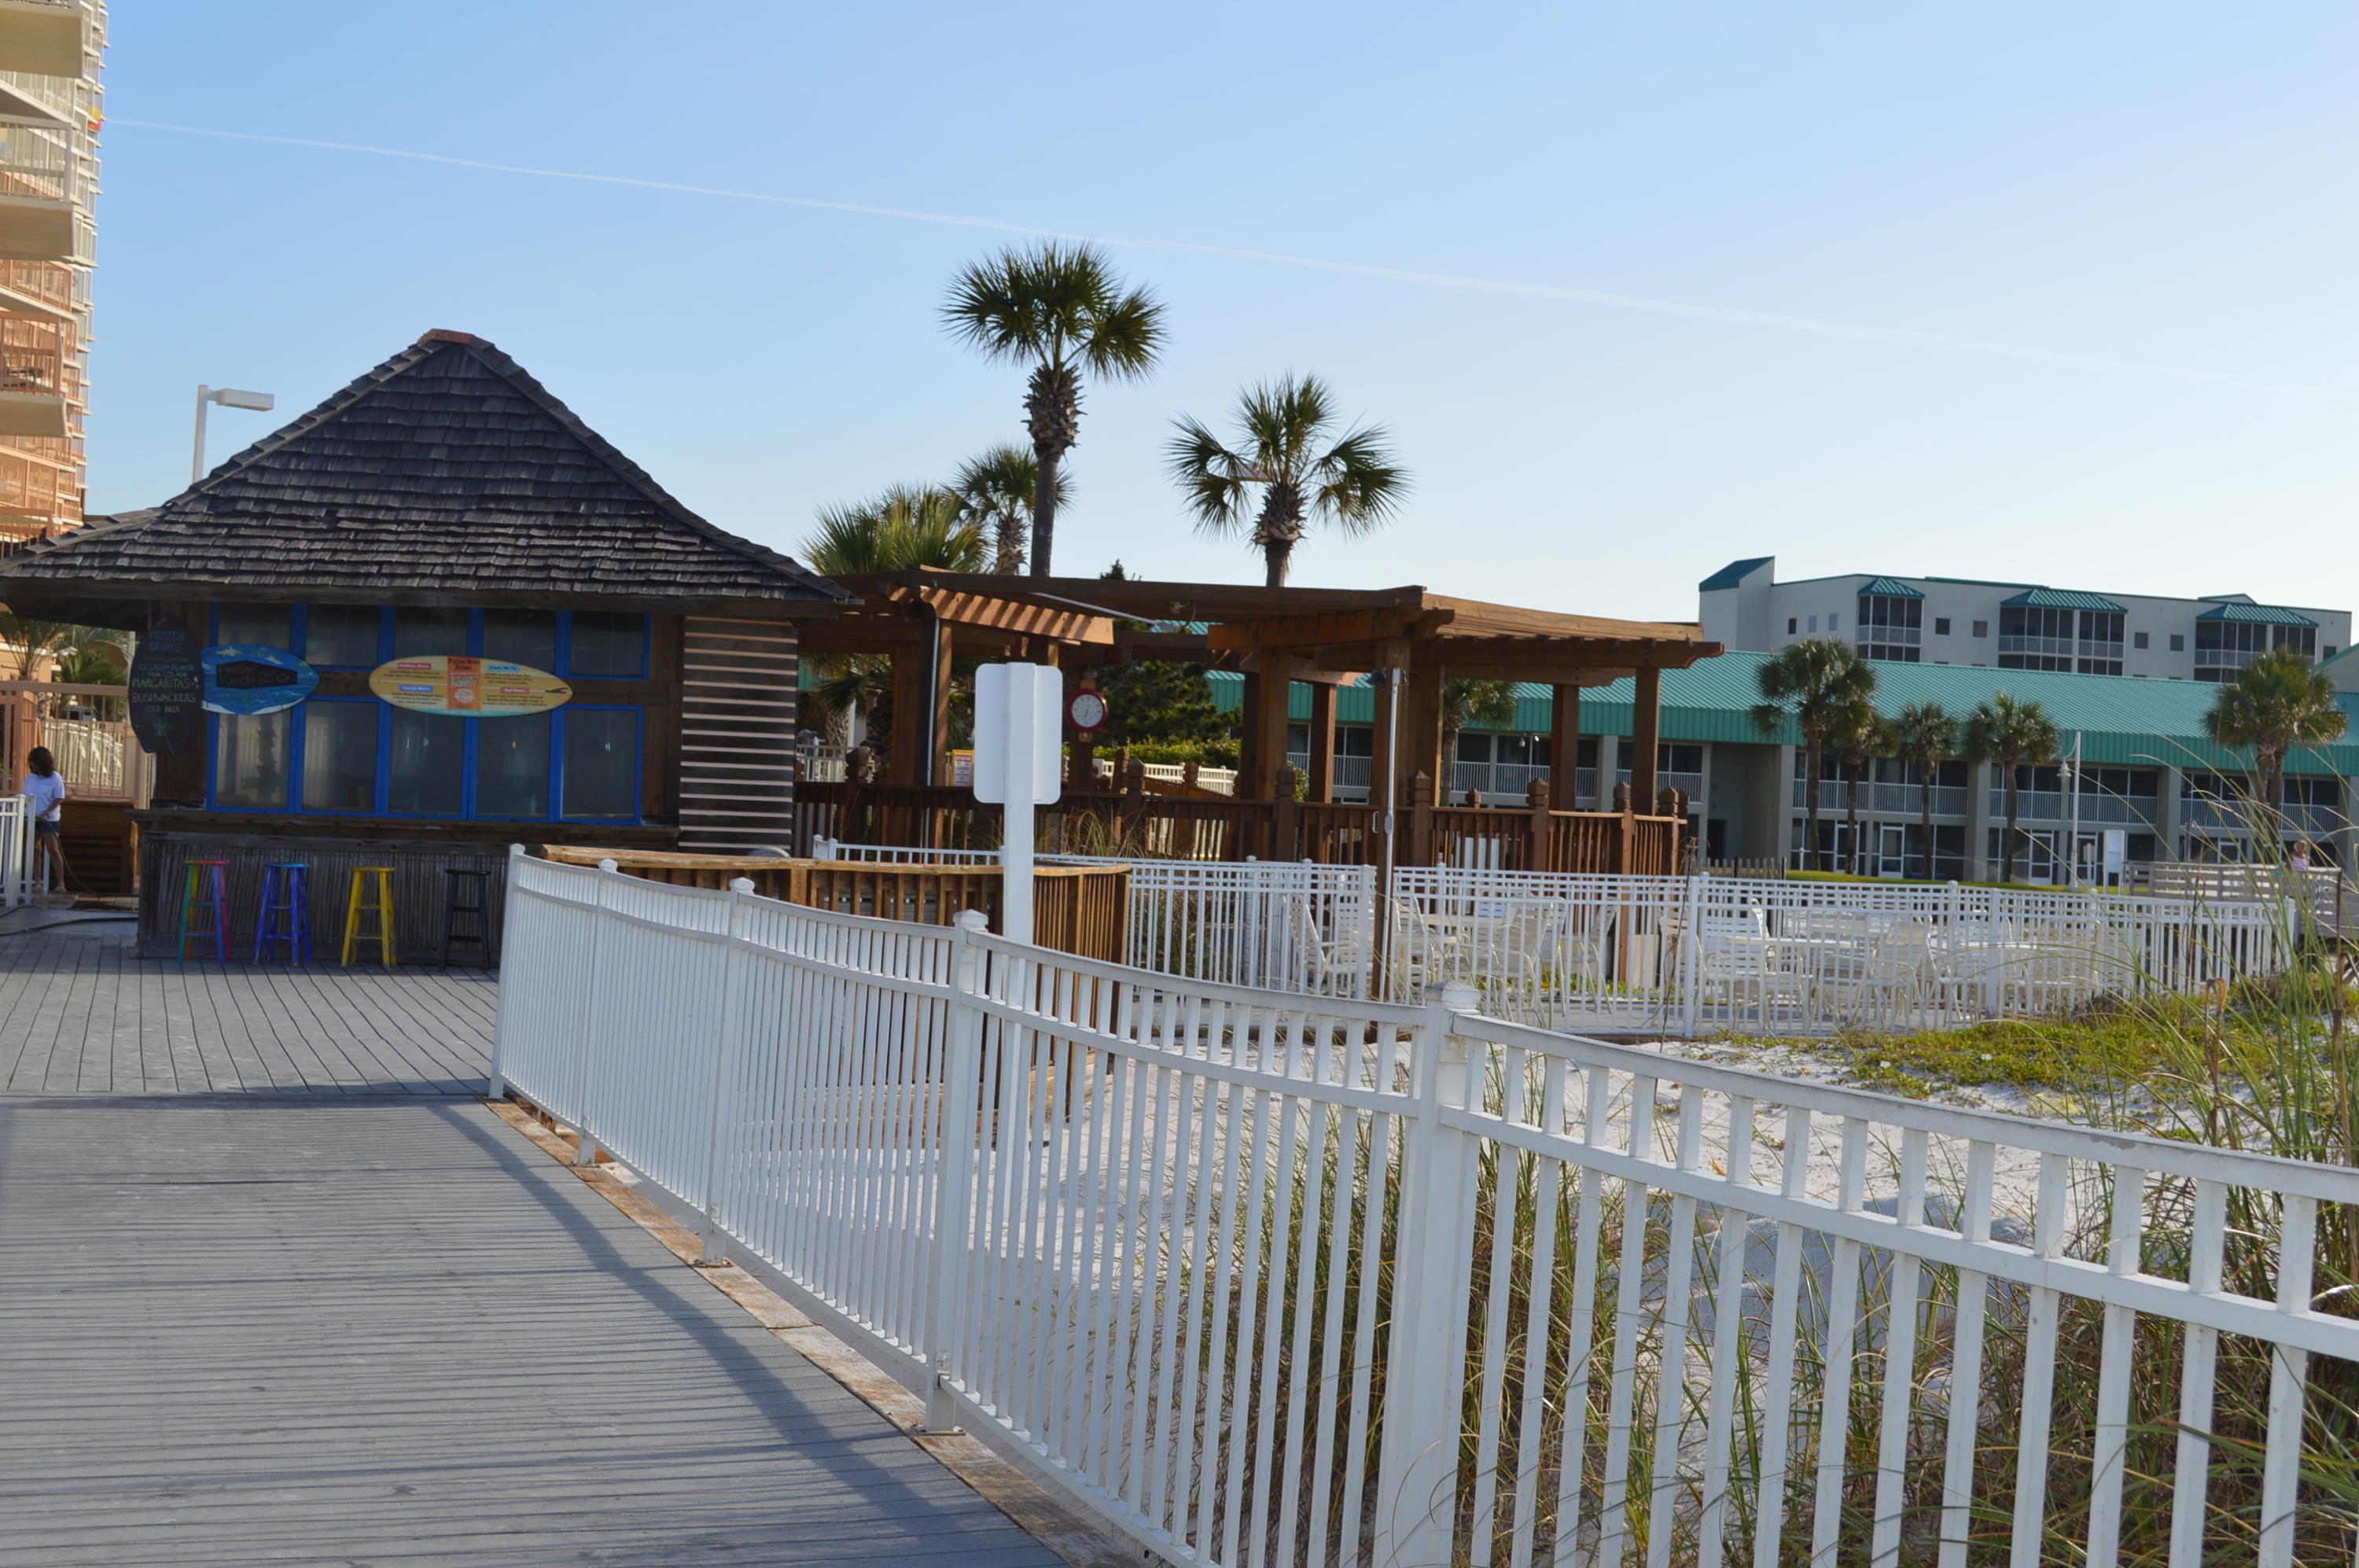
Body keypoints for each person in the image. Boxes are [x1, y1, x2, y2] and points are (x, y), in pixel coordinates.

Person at [23, 745, 64, 892]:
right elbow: (26, 796)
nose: (31, 765)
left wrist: (46, 813)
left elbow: (60, 798)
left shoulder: (55, 777)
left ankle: (61, 884)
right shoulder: (29, 778)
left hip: (49, 820)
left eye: (34, 762)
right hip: (32, 818)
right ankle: (37, 882)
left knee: (53, 850)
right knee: (35, 850)